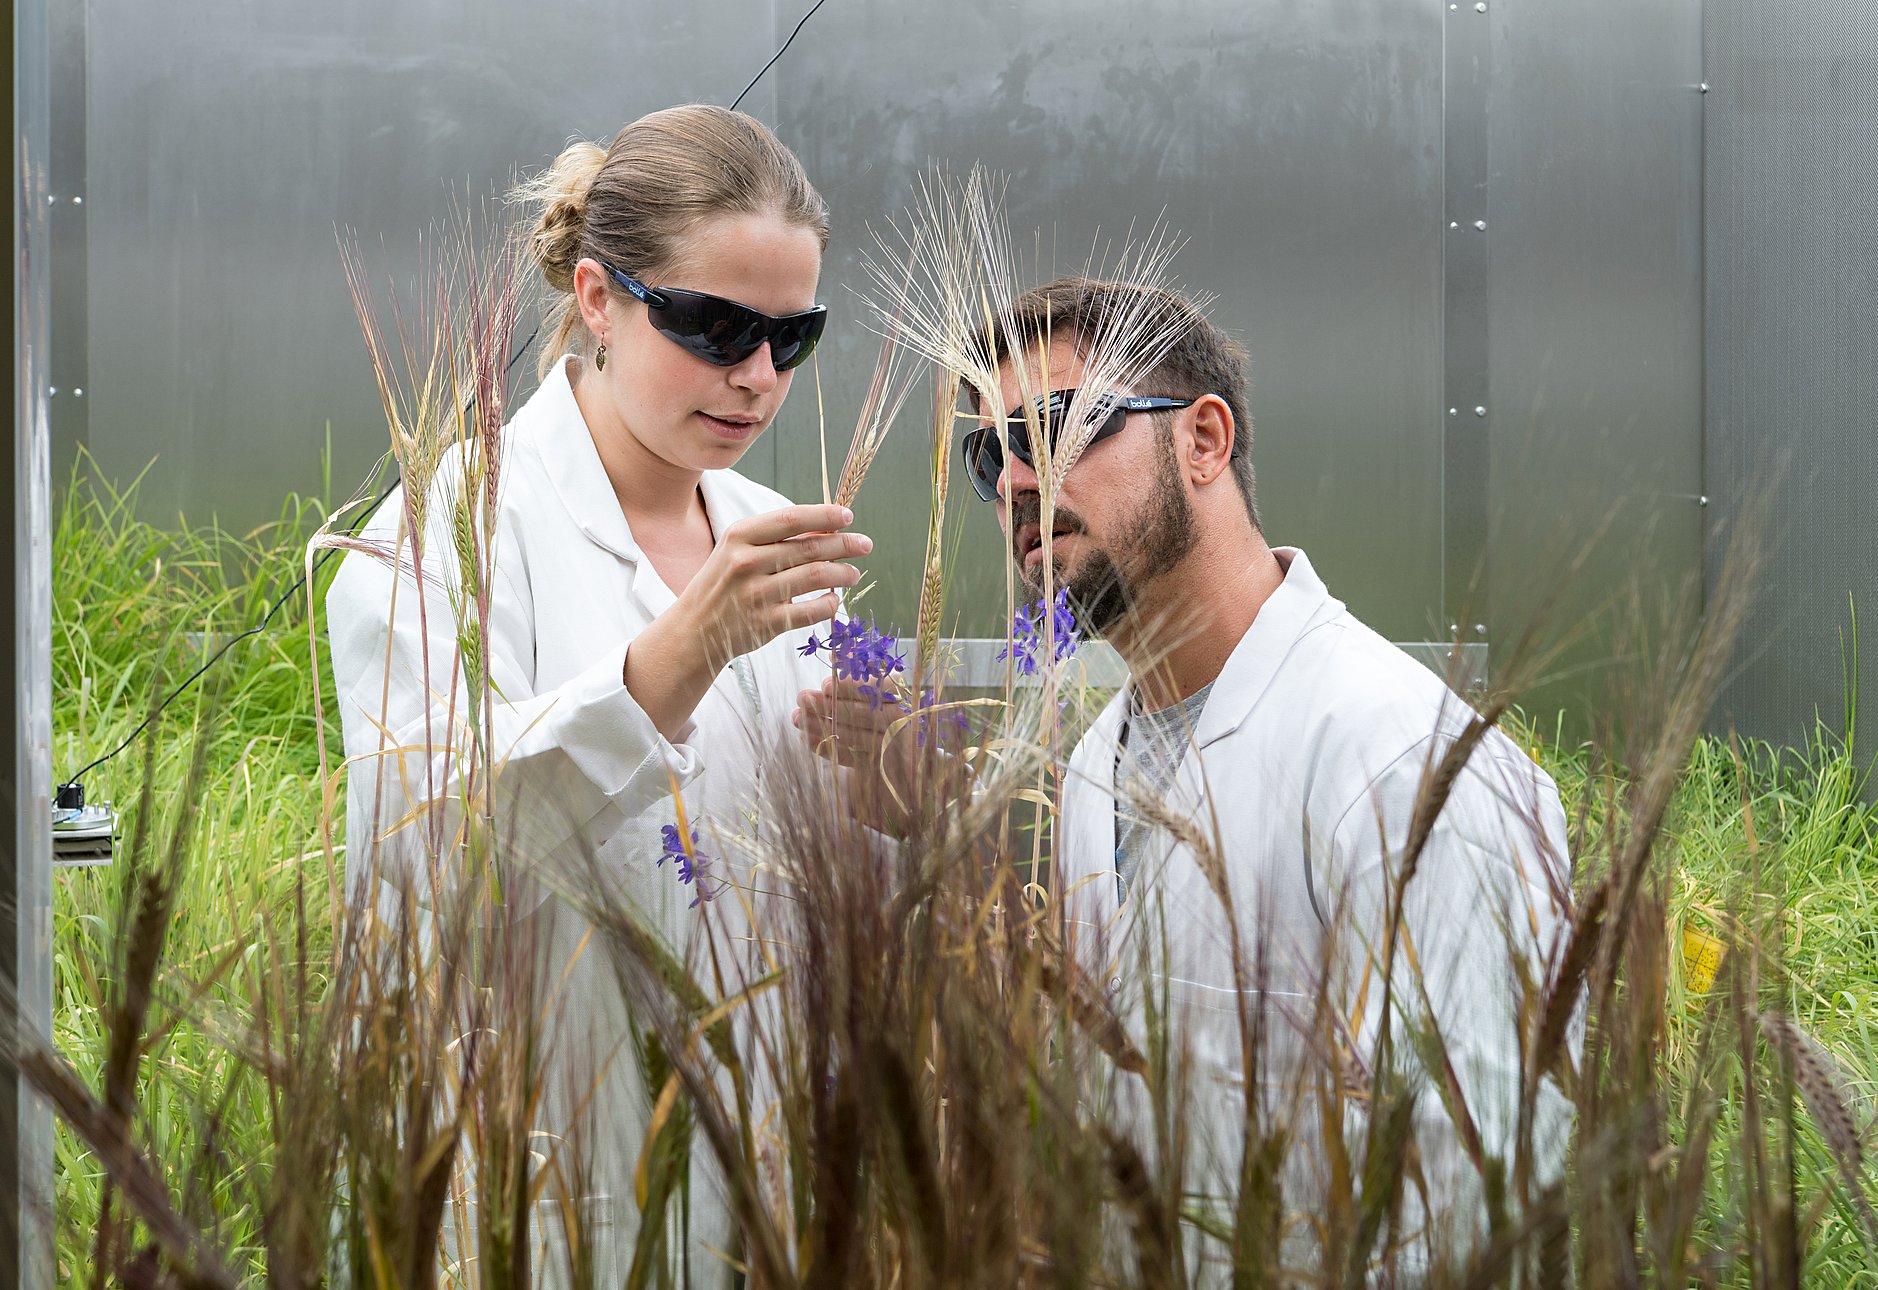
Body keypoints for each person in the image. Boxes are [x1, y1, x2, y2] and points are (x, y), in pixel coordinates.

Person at [326, 105, 864, 1285]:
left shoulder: (774, 537)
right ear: (598, 296)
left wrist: (893, 793)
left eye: (795, 336)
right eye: (716, 325)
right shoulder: (446, 531)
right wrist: (668, 664)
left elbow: (799, 888)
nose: (758, 377)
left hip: (756, 1163)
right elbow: (415, 842)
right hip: (534, 1160)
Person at [964, 277, 1575, 1275]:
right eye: (991, 453)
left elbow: (1486, 1197)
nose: (1018, 481)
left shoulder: (1405, 763)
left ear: (1204, 441)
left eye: (1059, 426)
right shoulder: (1091, 767)